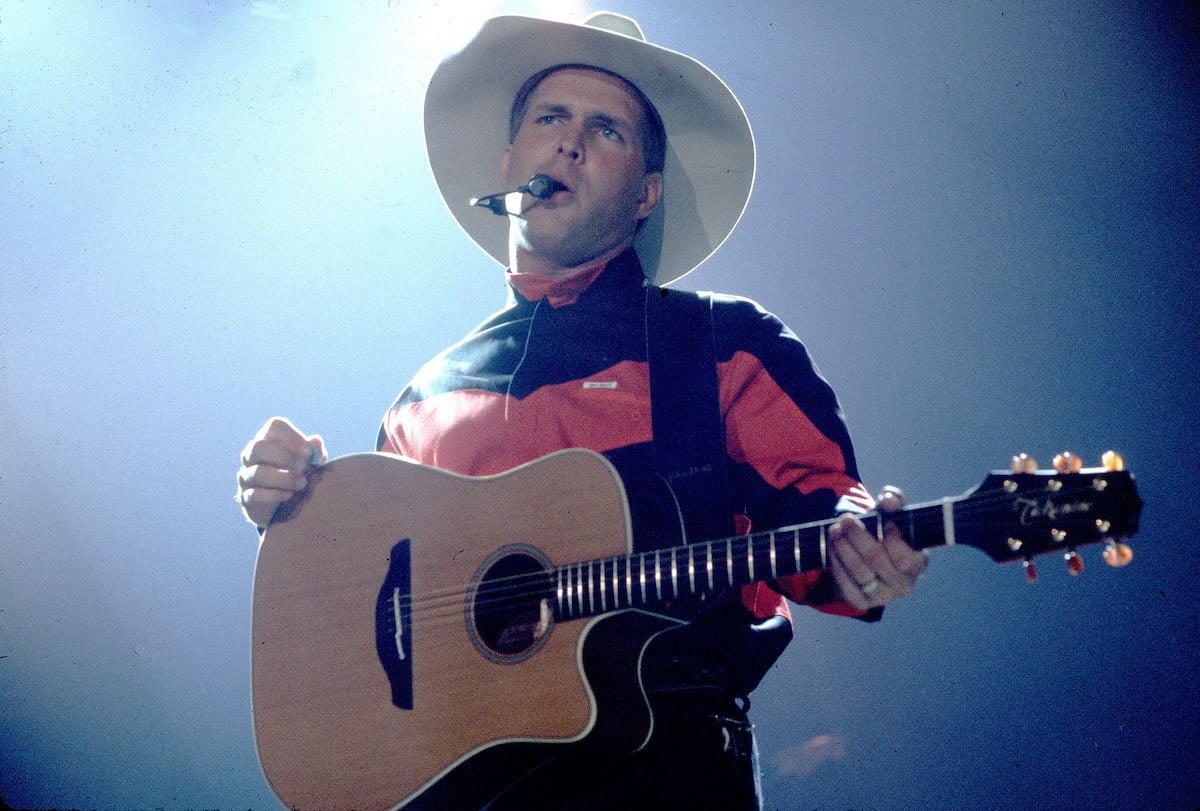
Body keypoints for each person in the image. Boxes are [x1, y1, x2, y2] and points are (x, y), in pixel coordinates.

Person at [237, 12, 928, 810]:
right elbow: (366, 607)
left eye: (606, 130)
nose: (568, 143)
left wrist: (863, 550)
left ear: (647, 193)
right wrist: (290, 505)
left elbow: (823, 511)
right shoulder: (422, 399)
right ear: (508, 161)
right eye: (549, 119)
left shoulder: (722, 344)